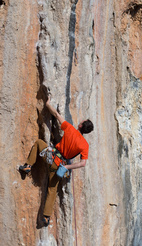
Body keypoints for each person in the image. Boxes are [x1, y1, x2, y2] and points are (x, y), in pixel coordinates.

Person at [19, 97, 94, 226]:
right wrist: (67, 167)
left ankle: (27, 166)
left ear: (81, 125)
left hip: (51, 156)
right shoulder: (85, 146)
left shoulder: (70, 129)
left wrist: (47, 104)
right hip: (59, 166)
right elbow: (83, 163)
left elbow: (56, 114)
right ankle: (46, 217)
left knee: (38, 143)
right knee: (52, 189)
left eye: (82, 121)